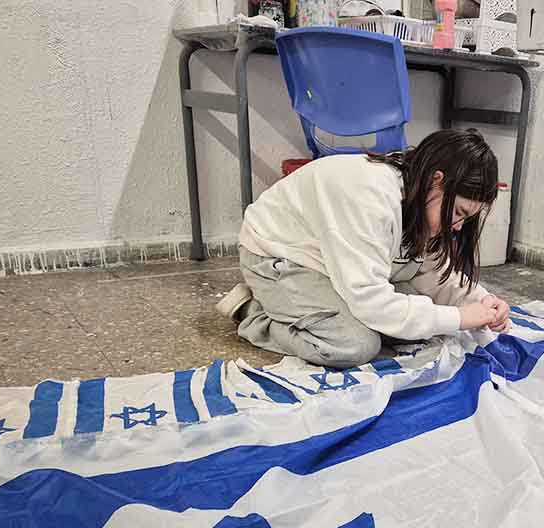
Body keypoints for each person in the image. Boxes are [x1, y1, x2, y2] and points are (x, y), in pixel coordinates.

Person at [216, 128, 511, 369]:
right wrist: (461, 317)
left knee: (417, 320)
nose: (457, 227)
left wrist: (482, 300)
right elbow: (372, 303)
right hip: (279, 255)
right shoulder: (369, 197)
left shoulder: (418, 192)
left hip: (333, 262)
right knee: (354, 345)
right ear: (437, 180)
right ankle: (254, 313)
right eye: (458, 213)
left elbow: (433, 270)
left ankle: (295, 308)